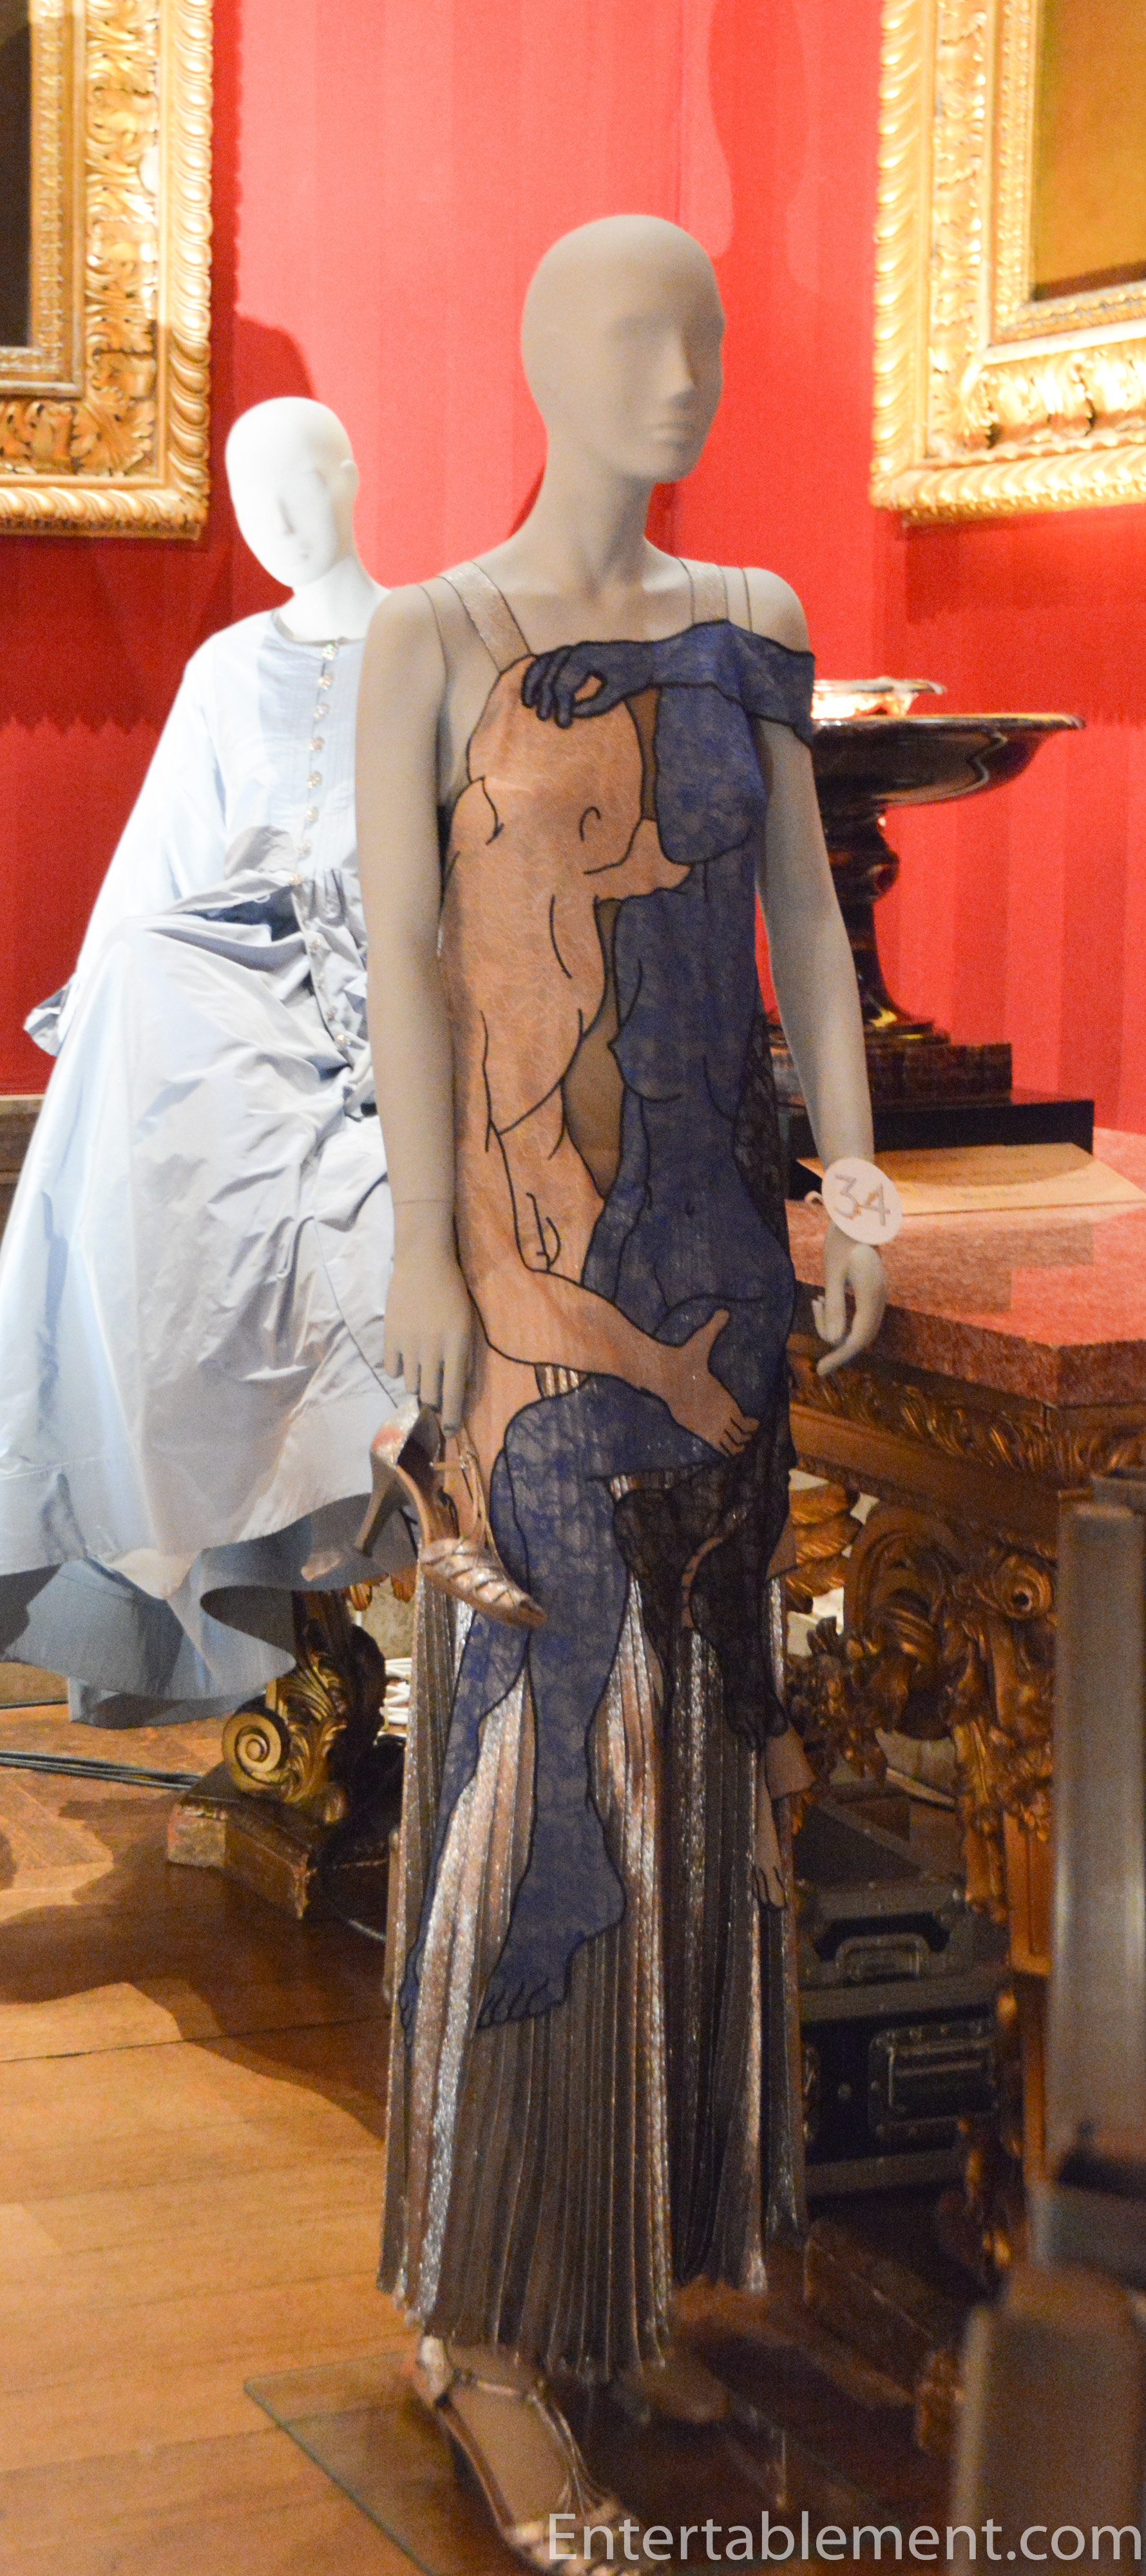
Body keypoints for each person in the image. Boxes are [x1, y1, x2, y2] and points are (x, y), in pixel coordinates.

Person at [356, 217, 887, 2570]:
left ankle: (609, 2272)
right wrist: (419, 1256)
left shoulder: (752, 623)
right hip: (530, 1294)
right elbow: (403, 956)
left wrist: (851, 1182)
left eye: (706, 335)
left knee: (705, 1742)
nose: (677, 370)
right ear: (540, 353)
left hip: (721, 1282)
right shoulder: (433, 631)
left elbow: (809, 924)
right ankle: (483, 2324)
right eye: (628, 331)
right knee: (542, 1752)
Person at [0, 397, 408, 1724]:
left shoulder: (433, 636)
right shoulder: (229, 666)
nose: (280, 520)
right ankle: (119, 1519)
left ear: (353, 475)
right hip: (230, 971)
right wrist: (96, 1013)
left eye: (301, 484)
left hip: (391, 964)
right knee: (135, 980)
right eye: (252, 498)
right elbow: (168, 851)